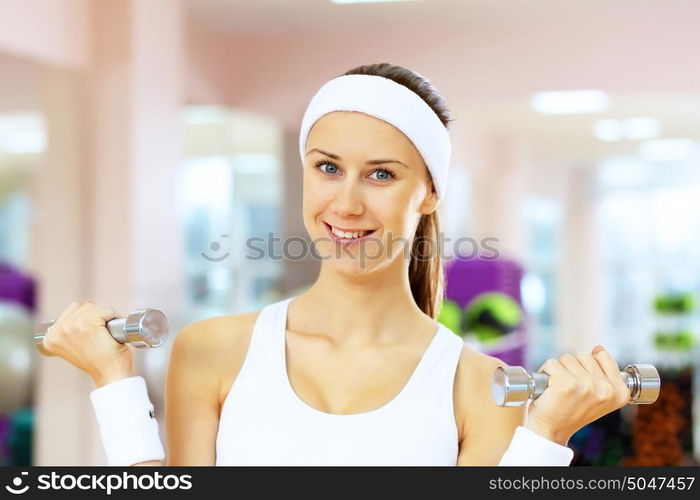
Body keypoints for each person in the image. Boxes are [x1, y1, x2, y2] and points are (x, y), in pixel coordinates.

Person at [42, 63, 631, 466]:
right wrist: (114, 382)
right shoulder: (214, 351)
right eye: (327, 167)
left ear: (428, 194)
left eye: (381, 174)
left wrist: (546, 437)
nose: (346, 203)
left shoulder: (479, 386)